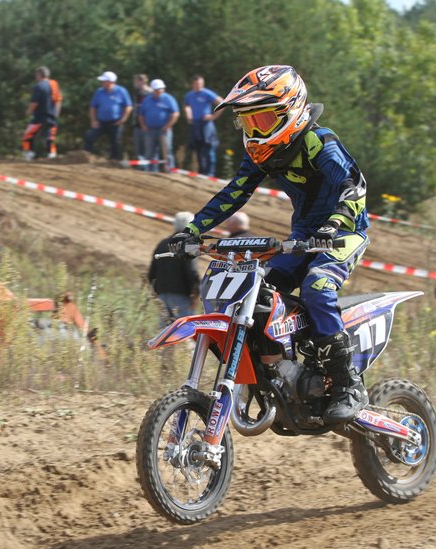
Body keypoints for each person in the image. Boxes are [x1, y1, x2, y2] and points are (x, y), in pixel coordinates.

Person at [171, 65, 370, 424]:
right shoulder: (262, 153)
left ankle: (347, 384)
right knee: (259, 291)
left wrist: (334, 224)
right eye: (247, 123)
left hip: (343, 232)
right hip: (302, 236)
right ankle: (280, 372)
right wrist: (193, 230)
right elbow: (234, 192)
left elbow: (354, 188)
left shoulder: (319, 143)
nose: (254, 131)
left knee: (318, 287)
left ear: (291, 110)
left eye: (262, 120)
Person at [149, 211, 200, 323]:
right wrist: (195, 293)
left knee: (164, 330)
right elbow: (191, 271)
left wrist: (157, 291)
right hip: (182, 295)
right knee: (184, 328)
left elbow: (152, 272)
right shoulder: (190, 244)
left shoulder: (162, 243)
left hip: (162, 294)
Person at [84, 71, 133, 161]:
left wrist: (123, 120)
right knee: (89, 136)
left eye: (104, 81)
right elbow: (93, 107)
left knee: (116, 142)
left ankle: (115, 160)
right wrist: (93, 120)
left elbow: (128, 107)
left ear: (110, 82)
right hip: (101, 121)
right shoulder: (99, 92)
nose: (102, 83)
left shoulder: (121, 91)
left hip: (115, 122)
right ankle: (86, 156)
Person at [183, 75, 223, 176]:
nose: (199, 85)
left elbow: (221, 102)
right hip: (195, 124)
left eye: (201, 83)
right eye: (197, 84)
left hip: (206, 124)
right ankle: (202, 172)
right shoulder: (189, 95)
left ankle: (210, 173)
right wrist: (188, 115)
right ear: (193, 84)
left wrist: (213, 116)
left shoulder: (207, 93)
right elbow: (187, 106)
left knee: (209, 147)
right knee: (198, 148)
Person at [138, 79, 180, 172]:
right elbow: (141, 114)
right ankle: (151, 171)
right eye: (157, 89)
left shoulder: (169, 99)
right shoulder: (147, 99)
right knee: (150, 151)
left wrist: (167, 126)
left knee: (167, 151)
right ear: (153, 90)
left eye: (161, 89)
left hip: (164, 130)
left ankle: (170, 170)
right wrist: (143, 125)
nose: (159, 91)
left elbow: (175, 114)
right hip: (150, 129)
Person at [21, 66, 59, 160]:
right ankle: (52, 154)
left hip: (39, 116)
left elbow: (35, 102)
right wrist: (56, 113)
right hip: (52, 116)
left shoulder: (38, 86)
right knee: (50, 137)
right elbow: (58, 100)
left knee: (28, 135)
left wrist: (28, 112)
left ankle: (28, 154)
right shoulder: (54, 85)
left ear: (39, 75)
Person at [130, 74, 152, 169]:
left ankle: (149, 169)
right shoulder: (137, 94)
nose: (134, 83)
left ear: (142, 81)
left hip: (148, 125)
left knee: (149, 148)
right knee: (138, 148)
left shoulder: (151, 93)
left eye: (136, 81)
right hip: (137, 123)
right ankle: (141, 168)